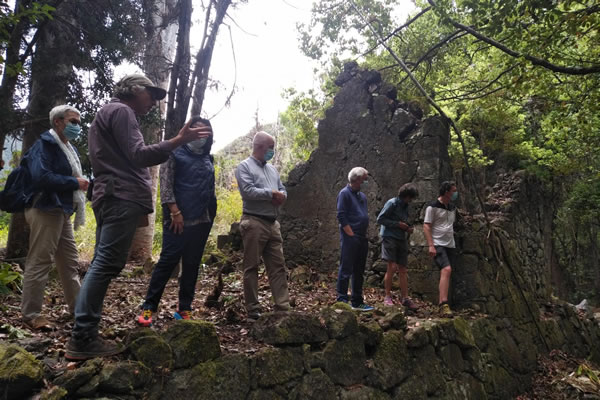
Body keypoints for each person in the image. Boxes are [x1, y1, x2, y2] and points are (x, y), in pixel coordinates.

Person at [65, 74, 212, 360]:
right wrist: (178, 140)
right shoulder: (122, 111)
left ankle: (84, 331)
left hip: (110, 194)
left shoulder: (106, 114)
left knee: (102, 263)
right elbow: (138, 154)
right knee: (106, 264)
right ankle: (82, 336)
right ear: (133, 90)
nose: (154, 101)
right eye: (151, 94)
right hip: (120, 196)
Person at [137, 117, 216, 326]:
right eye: (196, 130)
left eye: (204, 131)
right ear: (187, 132)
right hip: (178, 219)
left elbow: (209, 189)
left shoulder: (208, 158)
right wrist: (174, 211)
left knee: (191, 264)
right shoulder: (175, 154)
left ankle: (185, 308)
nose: (200, 135)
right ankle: (148, 307)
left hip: (202, 219)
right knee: (167, 261)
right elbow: (166, 185)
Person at [20, 105, 88, 330]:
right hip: (44, 208)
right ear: (58, 122)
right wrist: (74, 183)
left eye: (78, 122)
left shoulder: (68, 148)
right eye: (73, 122)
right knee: (40, 261)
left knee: (69, 262)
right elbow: (41, 177)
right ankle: (31, 315)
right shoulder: (44, 145)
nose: (77, 126)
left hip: (61, 209)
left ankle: (79, 311)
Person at [235, 131, 290, 321]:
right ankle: (253, 310)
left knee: (278, 266)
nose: (272, 151)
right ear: (259, 147)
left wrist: (281, 195)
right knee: (251, 266)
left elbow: (282, 189)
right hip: (253, 222)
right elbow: (248, 191)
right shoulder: (244, 167)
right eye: (270, 148)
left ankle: (282, 308)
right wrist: (271, 194)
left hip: (272, 223)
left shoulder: (272, 169)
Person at [336, 167, 373, 311]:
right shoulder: (344, 193)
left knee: (359, 270)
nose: (366, 182)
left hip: (362, 237)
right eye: (365, 179)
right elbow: (341, 216)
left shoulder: (362, 196)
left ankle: (357, 301)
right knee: (346, 268)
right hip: (350, 237)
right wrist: (350, 234)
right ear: (357, 179)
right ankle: (342, 299)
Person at [377, 183, 419, 309]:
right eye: (410, 198)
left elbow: (403, 222)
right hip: (389, 237)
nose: (411, 200)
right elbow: (381, 219)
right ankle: (387, 296)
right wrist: (397, 224)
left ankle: (405, 298)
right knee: (392, 266)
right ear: (406, 196)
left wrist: (407, 228)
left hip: (401, 238)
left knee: (403, 268)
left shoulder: (405, 206)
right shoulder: (392, 203)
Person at [423, 181, 458, 316]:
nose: (455, 194)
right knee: (446, 269)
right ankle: (443, 304)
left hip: (450, 244)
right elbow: (426, 226)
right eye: (453, 191)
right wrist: (431, 245)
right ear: (446, 191)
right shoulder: (432, 207)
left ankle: (445, 302)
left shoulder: (452, 208)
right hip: (438, 244)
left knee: (448, 272)